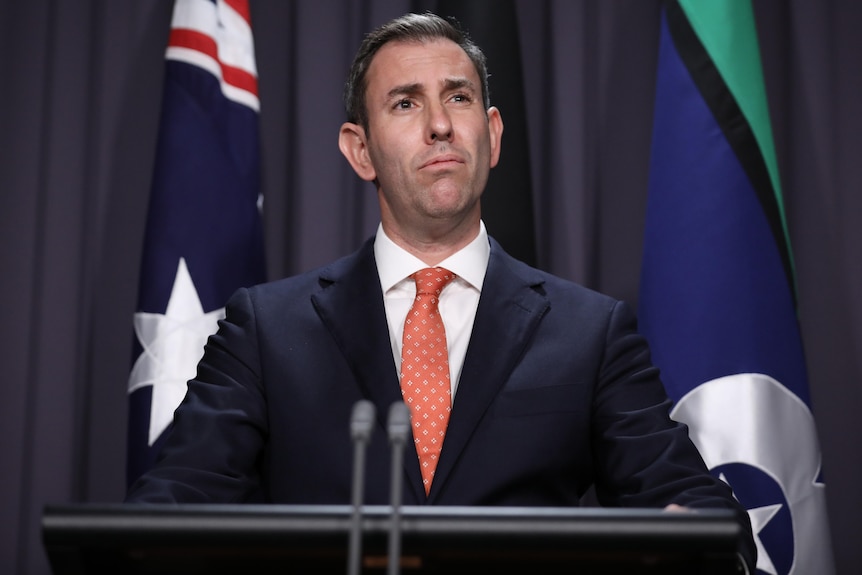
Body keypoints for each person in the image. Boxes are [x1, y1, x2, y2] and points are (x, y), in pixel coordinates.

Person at [126, 11, 755, 570]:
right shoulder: (266, 330)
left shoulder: (590, 331)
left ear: (493, 135)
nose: (438, 126)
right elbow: (172, 505)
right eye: (404, 103)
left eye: (457, 98)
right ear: (360, 150)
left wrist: (691, 534)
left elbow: (694, 504)